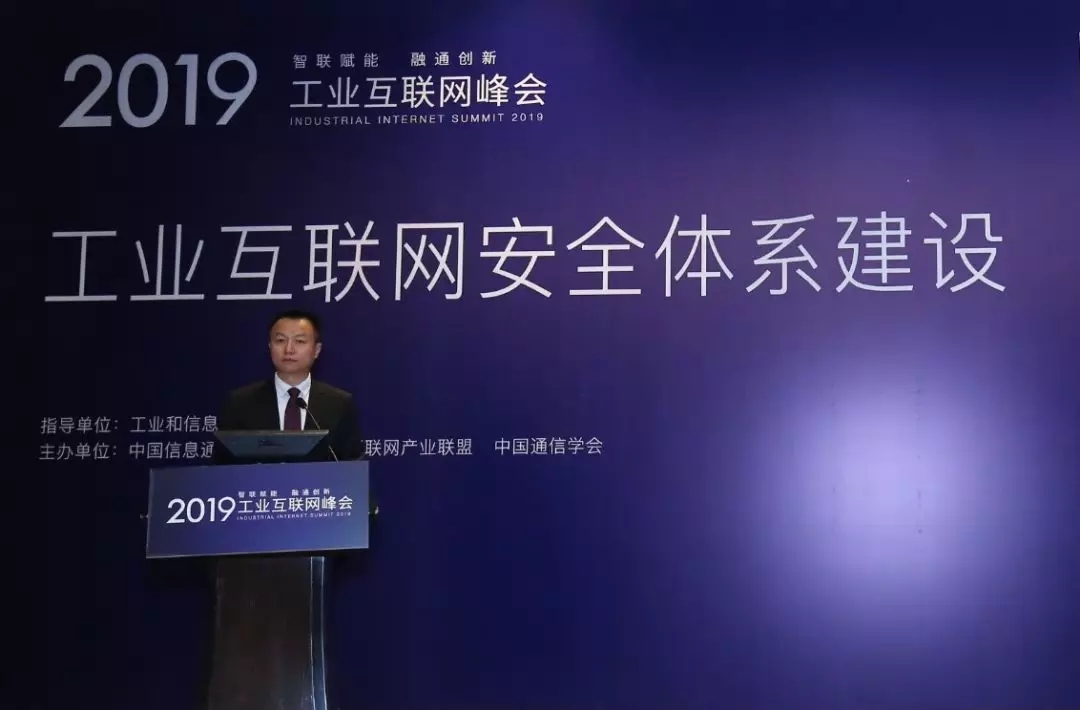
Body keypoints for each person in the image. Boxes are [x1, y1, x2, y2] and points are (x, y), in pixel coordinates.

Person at [213, 309, 364, 463]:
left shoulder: (339, 404)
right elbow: (222, 467)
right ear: (270, 347)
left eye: (300, 341)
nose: (289, 349)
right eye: (280, 340)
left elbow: (352, 465)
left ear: (316, 350)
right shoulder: (240, 403)